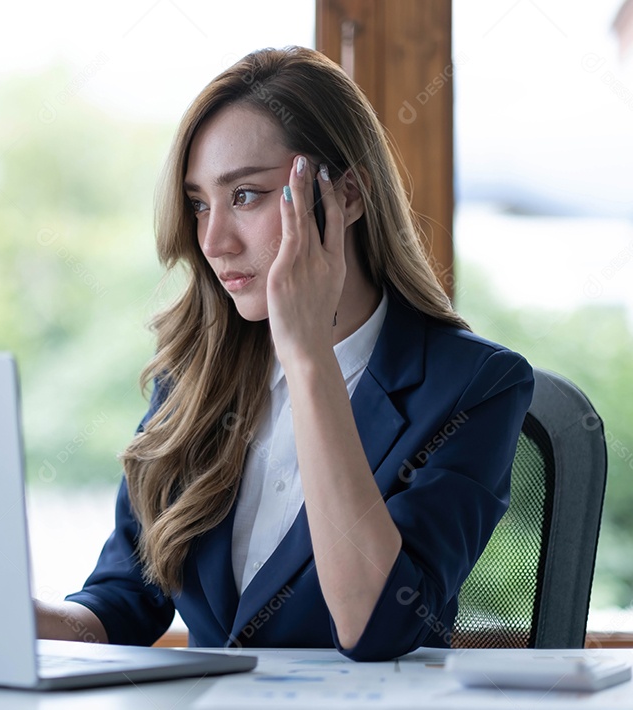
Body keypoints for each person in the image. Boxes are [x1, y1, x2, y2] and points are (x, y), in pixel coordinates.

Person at [34, 45, 534, 661]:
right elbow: (127, 598)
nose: (214, 240)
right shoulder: (195, 375)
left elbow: (377, 626)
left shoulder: (474, 385)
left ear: (346, 196)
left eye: (245, 195)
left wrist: (308, 359)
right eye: (199, 204)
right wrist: (18, 616)